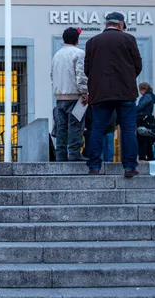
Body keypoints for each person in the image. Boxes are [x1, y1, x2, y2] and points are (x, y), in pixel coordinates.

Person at [84, 12, 142, 177]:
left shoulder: (92, 42)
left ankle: (94, 166)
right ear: (121, 24)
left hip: (100, 94)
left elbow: (87, 69)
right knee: (128, 130)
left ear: (106, 24)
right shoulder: (129, 39)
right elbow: (138, 65)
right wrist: (127, 79)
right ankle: (130, 166)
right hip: (125, 93)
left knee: (97, 129)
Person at [51, 27, 89, 161]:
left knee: (61, 126)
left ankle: (60, 154)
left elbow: (52, 75)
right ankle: (74, 153)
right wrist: (85, 92)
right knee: (75, 125)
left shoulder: (57, 55)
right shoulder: (79, 53)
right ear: (77, 39)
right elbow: (81, 75)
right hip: (74, 96)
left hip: (59, 95)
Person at [136, 82, 155, 161]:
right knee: (147, 138)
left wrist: (134, 110)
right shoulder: (151, 96)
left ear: (143, 89)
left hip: (142, 118)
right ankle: (150, 156)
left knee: (141, 138)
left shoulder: (146, 96)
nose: (139, 92)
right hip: (147, 118)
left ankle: (142, 156)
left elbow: (140, 106)